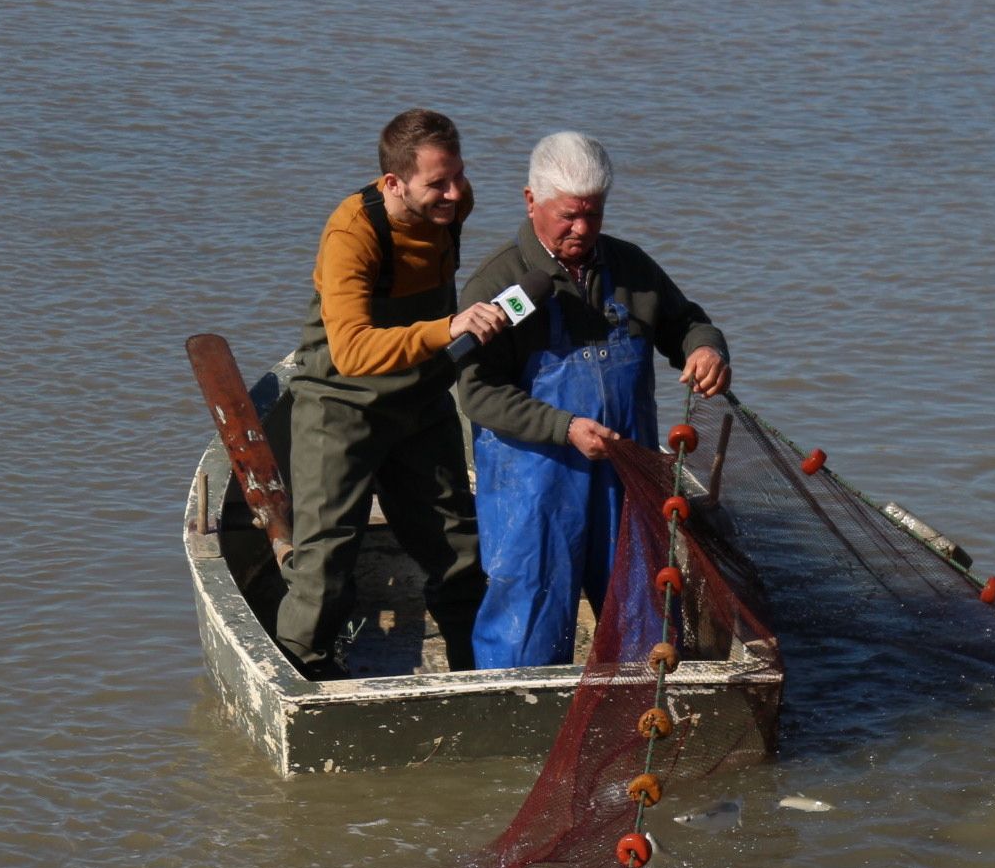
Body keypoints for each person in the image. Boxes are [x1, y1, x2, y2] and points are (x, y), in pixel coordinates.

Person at [454, 132, 731, 669]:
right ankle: (517, 714)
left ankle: (634, 705)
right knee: (527, 618)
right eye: (567, 216)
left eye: (593, 214)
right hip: (534, 484)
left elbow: (687, 322)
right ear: (531, 200)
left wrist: (705, 350)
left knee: (641, 609)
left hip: (624, 477)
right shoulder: (500, 282)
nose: (581, 229)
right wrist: (565, 428)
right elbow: (479, 393)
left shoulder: (631, 269)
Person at [273, 109, 509, 680]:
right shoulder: (352, 234)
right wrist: (448, 328)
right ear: (392, 183)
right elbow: (351, 351)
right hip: (339, 406)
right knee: (324, 564)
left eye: (459, 175)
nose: (455, 194)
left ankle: (478, 675)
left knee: (458, 554)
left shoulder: (454, 206)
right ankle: (303, 682)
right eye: (438, 184)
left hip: (420, 403)